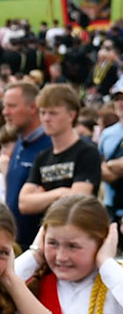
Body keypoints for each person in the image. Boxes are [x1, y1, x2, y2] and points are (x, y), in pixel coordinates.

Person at [18, 82, 103, 230]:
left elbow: (77, 201)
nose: (46, 119)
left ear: (71, 115)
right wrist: (60, 192)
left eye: (53, 113)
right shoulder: (42, 157)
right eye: (43, 113)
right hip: (47, 233)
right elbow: (24, 203)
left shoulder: (86, 153)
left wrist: (42, 196)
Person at [4, 79, 52, 246]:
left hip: (38, 250)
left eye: (12, 106)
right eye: (5, 106)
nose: (5, 112)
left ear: (33, 108)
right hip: (15, 245)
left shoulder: (50, 146)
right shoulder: (20, 143)